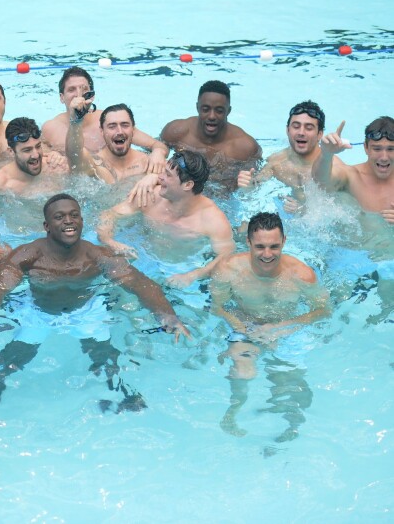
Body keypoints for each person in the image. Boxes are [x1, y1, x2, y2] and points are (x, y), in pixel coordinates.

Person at [0, 194, 191, 410]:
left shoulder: (97, 256)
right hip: (39, 312)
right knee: (7, 363)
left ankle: (117, 393)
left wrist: (166, 315)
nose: (69, 221)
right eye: (60, 217)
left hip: (85, 310)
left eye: (74, 215)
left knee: (106, 360)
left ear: (82, 221)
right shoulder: (27, 255)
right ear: (47, 225)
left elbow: (139, 283)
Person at [210, 212, 330, 440]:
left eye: (274, 246)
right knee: (243, 372)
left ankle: (290, 427)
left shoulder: (302, 275)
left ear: (284, 241)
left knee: (290, 382)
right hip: (245, 325)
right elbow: (218, 307)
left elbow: (325, 310)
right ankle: (232, 413)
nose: (267, 254)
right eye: (260, 246)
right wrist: (245, 328)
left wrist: (283, 327)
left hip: (286, 329)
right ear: (248, 243)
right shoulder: (229, 270)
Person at [97, 151, 234, 283]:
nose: (159, 177)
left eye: (167, 174)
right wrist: (109, 241)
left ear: (187, 185)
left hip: (184, 268)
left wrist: (192, 276)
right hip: (144, 262)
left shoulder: (213, 220)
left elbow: (226, 257)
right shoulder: (151, 197)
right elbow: (109, 214)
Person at [41, 66, 167, 171]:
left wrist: (158, 153)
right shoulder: (50, 128)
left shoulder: (109, 121)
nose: (78, 95)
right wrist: (53, 154)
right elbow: (37, 154)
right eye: (71, 89)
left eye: (84, 89)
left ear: (92, 95)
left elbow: (158, 145)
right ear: (62, 97)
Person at [160, 80, 261, 191]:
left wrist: (249, 185)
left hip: (223, 197)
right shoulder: (175, 131)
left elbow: (255, 181)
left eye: (219, 111)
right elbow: (154, 153)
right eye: (206, 109)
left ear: (228, 111)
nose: (212, 116)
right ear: (197, 107)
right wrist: (158, 152)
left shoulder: (244, 147)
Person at [237, 100, 329, 212]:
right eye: (296, 126)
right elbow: (253, 190)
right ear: (287, 130)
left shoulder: (330, 168)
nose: (301, 132)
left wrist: (303, 210)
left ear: (320, 134)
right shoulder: (276, 162)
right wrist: (248, 184)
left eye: (308, 128)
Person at [0, 117, 69, 210]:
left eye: (38, 146)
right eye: (27, 150)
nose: (36, 155)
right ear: (11, 151)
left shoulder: (54, 166)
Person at [312, 116, 394, 224]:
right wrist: (326, 153)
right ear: (366, 148)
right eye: (377, 149)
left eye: (391, 149)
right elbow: (320, 182)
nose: (384, 157)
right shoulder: (351, 176)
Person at [66, 102, 157, 183]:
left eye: (125, 125)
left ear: (133, 129)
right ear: (102, 131)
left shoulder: (148, 163)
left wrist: (159, 152)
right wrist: (75, 121)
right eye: (112, 126)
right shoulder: (95, 164)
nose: (119, 131)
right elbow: (74, 156)